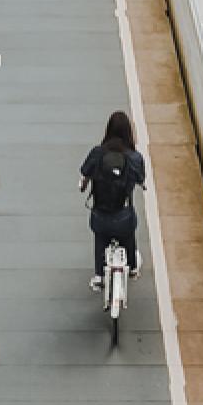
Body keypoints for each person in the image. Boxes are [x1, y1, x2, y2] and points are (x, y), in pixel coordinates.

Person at [79, 110, 145, 291]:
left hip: (100, 217)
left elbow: (84, 175)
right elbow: (141, 179)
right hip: (124, 218)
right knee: (128, 234)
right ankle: (132, 268)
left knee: (101, 238)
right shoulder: (134, 157)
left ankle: (99, 275)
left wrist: (84, 185)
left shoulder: (97, 153)